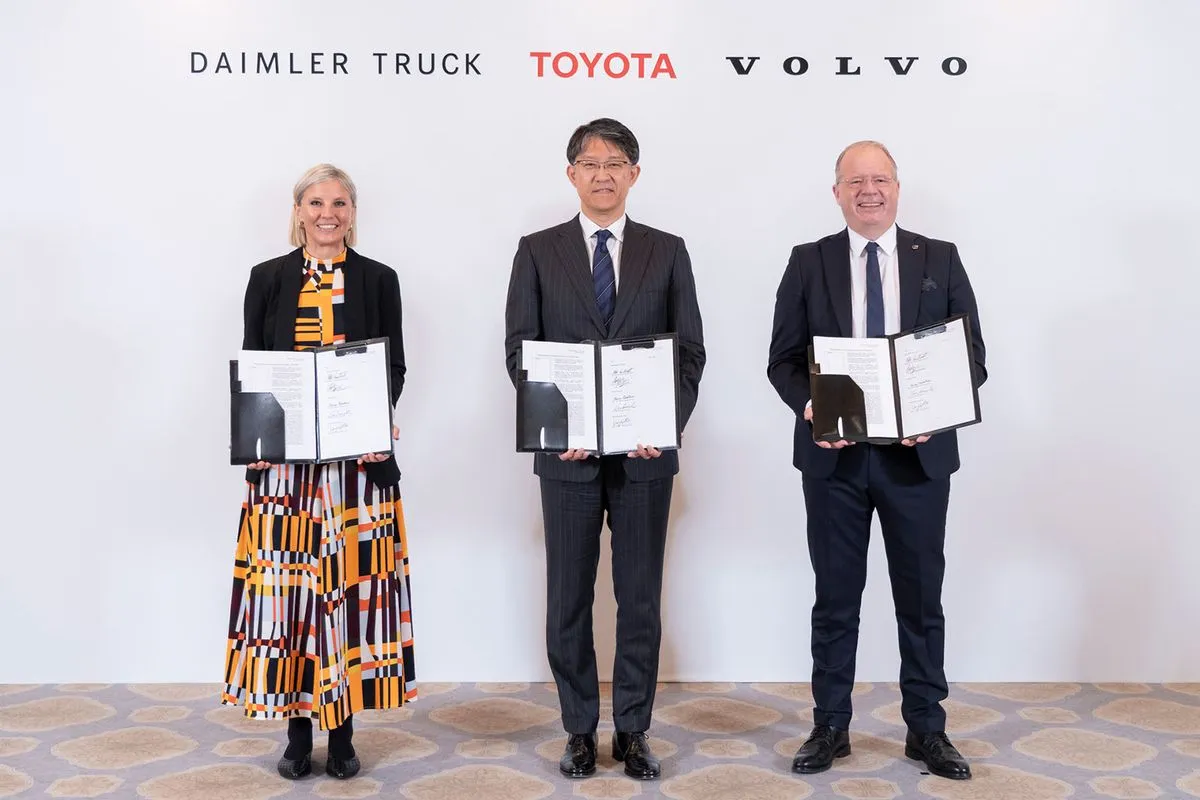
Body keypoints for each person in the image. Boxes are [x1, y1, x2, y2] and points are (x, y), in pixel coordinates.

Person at [767, 141, 986, 781]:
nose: (869, 190)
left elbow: (971, 358)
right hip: (834, 462)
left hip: (917, 462)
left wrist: (935, 410)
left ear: (897, 187)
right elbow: (782, 360)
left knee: (921, 600)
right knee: (835, 599)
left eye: (880, 179)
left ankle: (927, 729)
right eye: (856, 180)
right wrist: (812, 406)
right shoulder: (807, 262)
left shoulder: (939, 258)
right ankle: (830, 725)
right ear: (837, 192)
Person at [504, 118, 705, 781]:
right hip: (568, 459)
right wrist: (554, 426)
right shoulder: (537, 251)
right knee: (569, 597)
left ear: (634, 175)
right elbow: (520, 351)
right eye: (589, 164)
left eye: (615, 163)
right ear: (571, 174)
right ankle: (579, 731)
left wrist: (662, 423)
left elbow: (689, 354)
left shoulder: (667, 251)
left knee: (639, 599)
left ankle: (635, 731)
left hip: (645, 457)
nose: (602, 174)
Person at [221, 164, 416, 780]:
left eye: (338, 203)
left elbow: (393, 368)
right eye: (315, 202)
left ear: (352, 213)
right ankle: (298, 735)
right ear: (299, 211)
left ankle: (344, 733)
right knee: (291, 602)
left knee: (349, 599)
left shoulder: (379, 279)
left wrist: (377, 423)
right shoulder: (267, 278)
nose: (327, 213)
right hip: (285, 471)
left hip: (356, 469)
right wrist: (255, 438)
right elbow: (255, 368)